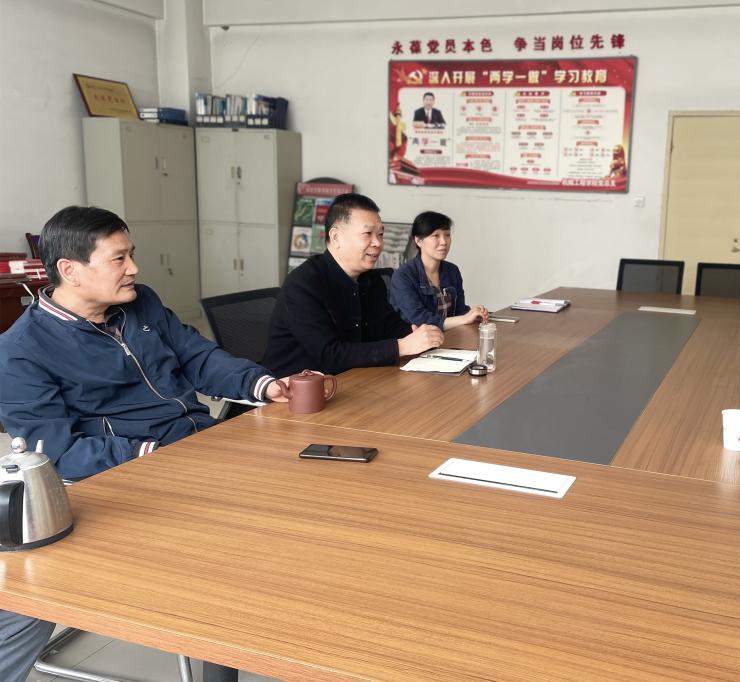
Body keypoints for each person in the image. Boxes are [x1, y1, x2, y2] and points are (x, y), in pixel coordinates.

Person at [0, 205, 291, 681]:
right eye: (119, 259)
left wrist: (263, 385)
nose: (134, 268)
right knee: (250, 543)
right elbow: (55, 453)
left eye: (131, 254)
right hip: (135, 480)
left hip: (200, 453)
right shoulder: (21, 350)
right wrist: (152, 456)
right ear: (70, 270)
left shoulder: (142, 303)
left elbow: (197, 357)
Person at [263, 193, 444, 378]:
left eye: (380, 234)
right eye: (368, 234)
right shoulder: (302, 285)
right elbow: (330, 355)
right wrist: (402, 346)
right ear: (336, 237)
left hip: (355, 379)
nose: (378, 243)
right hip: (297, 389)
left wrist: (418, 335)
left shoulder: (371, 279)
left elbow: (389, 326)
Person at [389, 211, 488, 329]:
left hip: (450, 337)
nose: (444, 242)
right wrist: (464, 319)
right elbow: (420, 319)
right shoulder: (403, 276)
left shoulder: (452, 271)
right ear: (418, 240)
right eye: (436, 235)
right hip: (416, 339)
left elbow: (460, 311)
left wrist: (473, 314)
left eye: (447, 235)